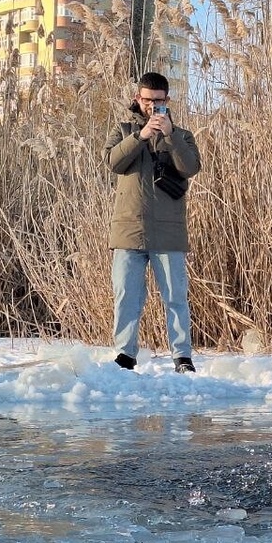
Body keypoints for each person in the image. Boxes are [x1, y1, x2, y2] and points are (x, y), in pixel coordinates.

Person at [105, 72, 201, 373]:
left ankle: (182, 357)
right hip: (129, 229)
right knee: (126, 296)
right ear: (138, 98)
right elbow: (113, 163)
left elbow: (190, 167)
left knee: (175, 297)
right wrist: (141, 136)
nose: (152, 106)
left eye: (158, 101)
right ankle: (125, 354)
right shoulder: (123, 131)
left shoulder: (182, 135)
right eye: (147, 100)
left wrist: (170, 136)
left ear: (167, 101)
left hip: (168, 231)